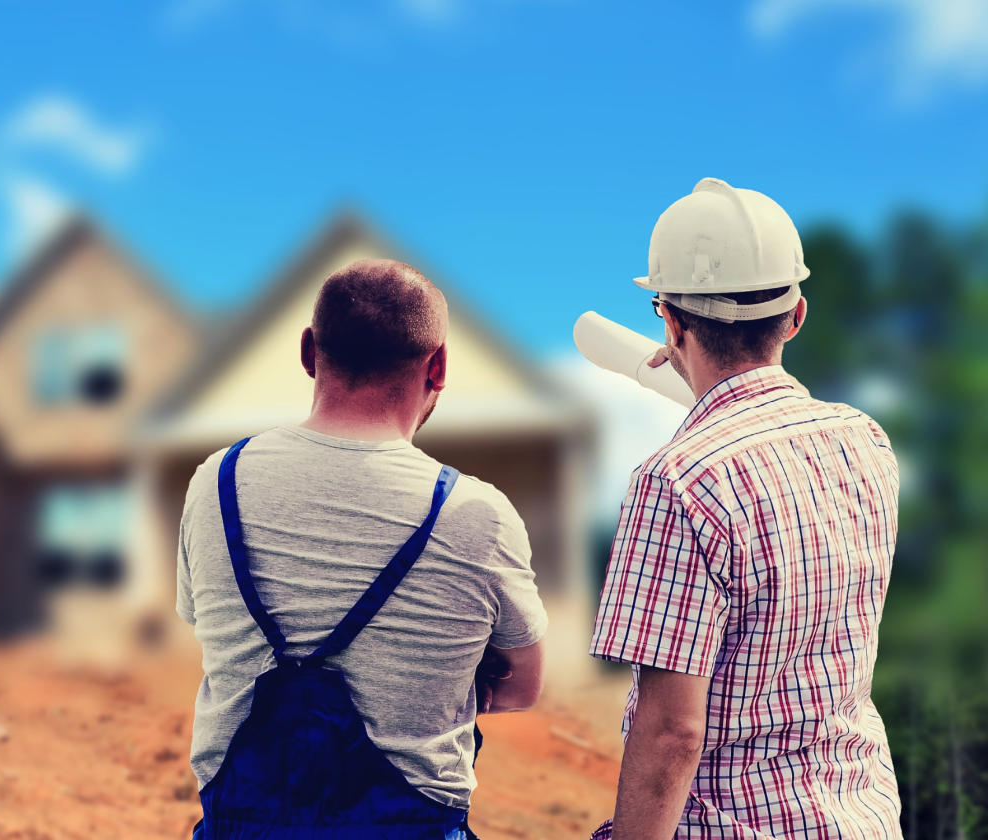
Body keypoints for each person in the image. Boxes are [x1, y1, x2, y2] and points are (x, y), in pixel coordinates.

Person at [176, 258, 548, 839]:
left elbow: (202, 621)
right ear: (440, 366)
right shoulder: (478, 515)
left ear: (308, 352)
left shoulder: (214, 484)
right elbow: (522, 688)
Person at [589, 179, 902, 839]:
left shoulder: (677, 482)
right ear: (795, 316)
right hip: (860, 817)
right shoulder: (865, 442)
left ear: (670, 321)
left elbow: (672, 733)